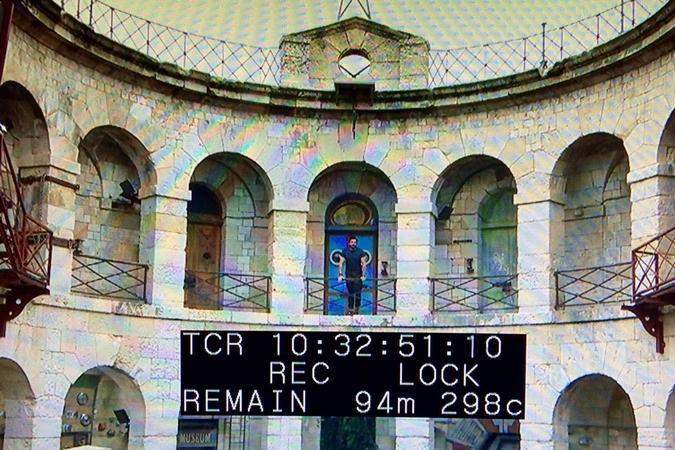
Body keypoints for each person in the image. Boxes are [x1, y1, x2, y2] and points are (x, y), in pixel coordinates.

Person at [337, 235, 367, 315]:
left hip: (358, 275)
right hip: (349, 275)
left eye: (355, 242)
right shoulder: (345, 251)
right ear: (349, 243)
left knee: (358, 293)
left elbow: (364, 263)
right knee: (350, 293)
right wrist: (340, 274)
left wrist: (363, 275)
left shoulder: (360, 251)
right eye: (352, 242)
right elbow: (341, 263)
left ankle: (357, 309)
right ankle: (350, 310)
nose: (353, 244)